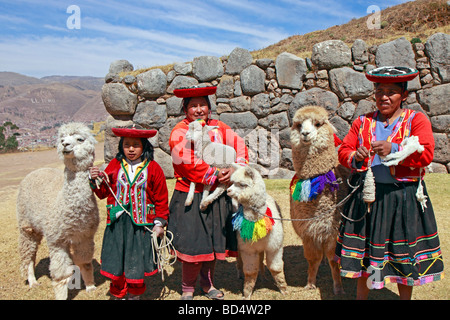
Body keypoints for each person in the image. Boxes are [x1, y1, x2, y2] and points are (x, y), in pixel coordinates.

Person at [334, 66, 444, 300]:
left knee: (402, 253)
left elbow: (426, 153)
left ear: (404, 95)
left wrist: (394, 149)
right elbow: (344, 150)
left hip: (401, 197)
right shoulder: (362, 123)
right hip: (367, 199)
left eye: (391, 92)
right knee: (366, 253)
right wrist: (356, 156)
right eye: (379, 91)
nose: (384, 97)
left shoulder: (416, 120)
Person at [168, 85, 249, 300]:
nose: (198, 109)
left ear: (209, 107)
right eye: (193, 105)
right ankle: (187, 288)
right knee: (193, 246)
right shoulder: (180, 131)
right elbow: (185, 160)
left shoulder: (219, 127)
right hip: (191, 195)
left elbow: (239, 148)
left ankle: (208, 284)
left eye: (202, 104)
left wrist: (233, 169)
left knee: (212, 245)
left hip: (217, 195)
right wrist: (213, 174)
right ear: (185, 109)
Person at [89, 125, 170, 300]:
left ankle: (134, 295)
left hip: (141, 226)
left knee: (137, 262)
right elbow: (104, 193)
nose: (131, 149)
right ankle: (118, 294)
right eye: (126, 145)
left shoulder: (153, 168)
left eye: (136, 144)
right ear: (121, 147)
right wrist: (94, 178)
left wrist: (159, 223)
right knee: (117, 260)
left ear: (144, 146)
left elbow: (161, 198)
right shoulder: (114, 165)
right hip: (117, 225)